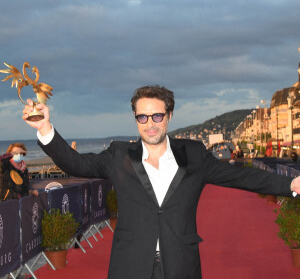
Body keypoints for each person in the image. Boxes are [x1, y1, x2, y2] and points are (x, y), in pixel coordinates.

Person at [22, 85, 300, 279]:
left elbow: (242, 175)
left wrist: (290, 185)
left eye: (157, 115)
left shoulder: (193, 154)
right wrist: (45, 129)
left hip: (180, 264)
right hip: (129, 264)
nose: (150, 123)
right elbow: (75, 164)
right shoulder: (119, 155)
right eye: (142, 116)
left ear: (169, 116)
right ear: (135, 119)